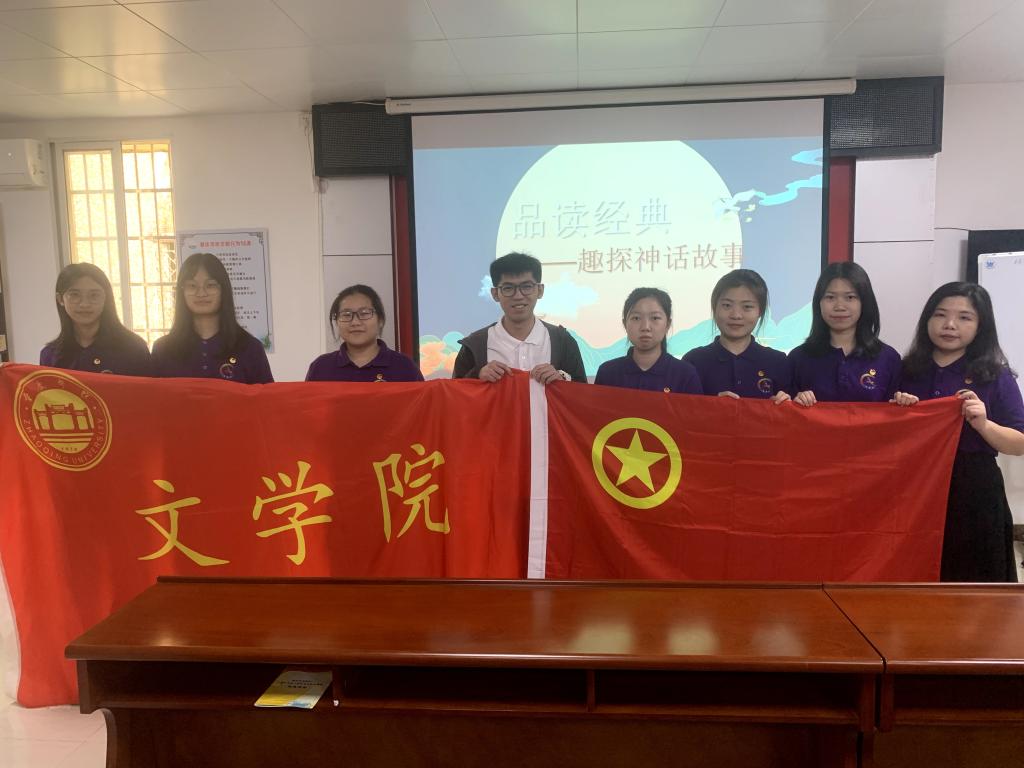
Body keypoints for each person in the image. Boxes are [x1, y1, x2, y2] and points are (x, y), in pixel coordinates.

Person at [892, 282, 1024, 582]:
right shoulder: (906, 370)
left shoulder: (995, 375)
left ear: (981, 325)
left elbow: (1019, 443)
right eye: (940, 314)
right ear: (927, 319)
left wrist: (984, 424)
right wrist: (898, 410)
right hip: (915, 486)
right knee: (915, 570)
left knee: (975, 580)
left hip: (974, 489)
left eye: (965, 317)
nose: (950, 325)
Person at [452, 252, 586, 384]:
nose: (518, 296)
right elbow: (453, 392)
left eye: (526, 287)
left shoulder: (562, 341)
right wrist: (477, 376)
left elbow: (583, 393)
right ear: (495, 294)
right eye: (508, 288)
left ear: (540, 290)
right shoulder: (475, 345)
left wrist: (563, 378)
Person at [788, 262, 900, 405]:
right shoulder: (798, 359)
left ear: (864, 302)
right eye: (830, 297)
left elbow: (895, 414)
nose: (839, 306)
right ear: (818, 303)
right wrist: (795, 402)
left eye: (850, 297)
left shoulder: (888, 359)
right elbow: (785, 413)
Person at [152, 252, 273, 383]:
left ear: (223, 290)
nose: (201, 293)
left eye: (210, 285)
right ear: (182, 292)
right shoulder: (163, 349)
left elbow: (267, 395)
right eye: (192, 286)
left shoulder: (250, 348)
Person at [683, 269, 790, 402]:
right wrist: (711, 406)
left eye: (747, 307)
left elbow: (791, 412)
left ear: (760, 311)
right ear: (714, 308)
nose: (736, 315)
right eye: (727, 305)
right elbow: (681, 411)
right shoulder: (693, 361)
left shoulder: (778, 362)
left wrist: (785, 405)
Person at [40, 262, 151, 376]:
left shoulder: (134, 349)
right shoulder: (50, 355)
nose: (85, 304)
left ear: (106, 298)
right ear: (60, 299)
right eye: (74, 295)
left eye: (94, 295)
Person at [306, 285, 422, 382]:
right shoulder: (321, 367)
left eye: (364, 313)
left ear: (380, 320)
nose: (355, 322)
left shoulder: (404, 367)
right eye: (346, 315)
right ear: (337, 322)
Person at [595, 287, 701, 393]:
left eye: (655, 318)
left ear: (667, 324)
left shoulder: (685, 374)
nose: (645, 327)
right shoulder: (607, 373)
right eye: (636, 318)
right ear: (625, 324)